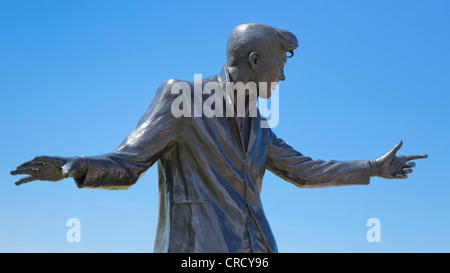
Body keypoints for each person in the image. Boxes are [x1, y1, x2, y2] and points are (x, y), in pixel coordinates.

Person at [11, 22, 427, 253]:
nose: (283, 76)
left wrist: (373, 167)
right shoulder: (183, 98)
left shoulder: (257, 122)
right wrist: (77, 166)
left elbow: (305, 171)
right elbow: (128, 162)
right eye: (279, 65)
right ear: (253, 60)